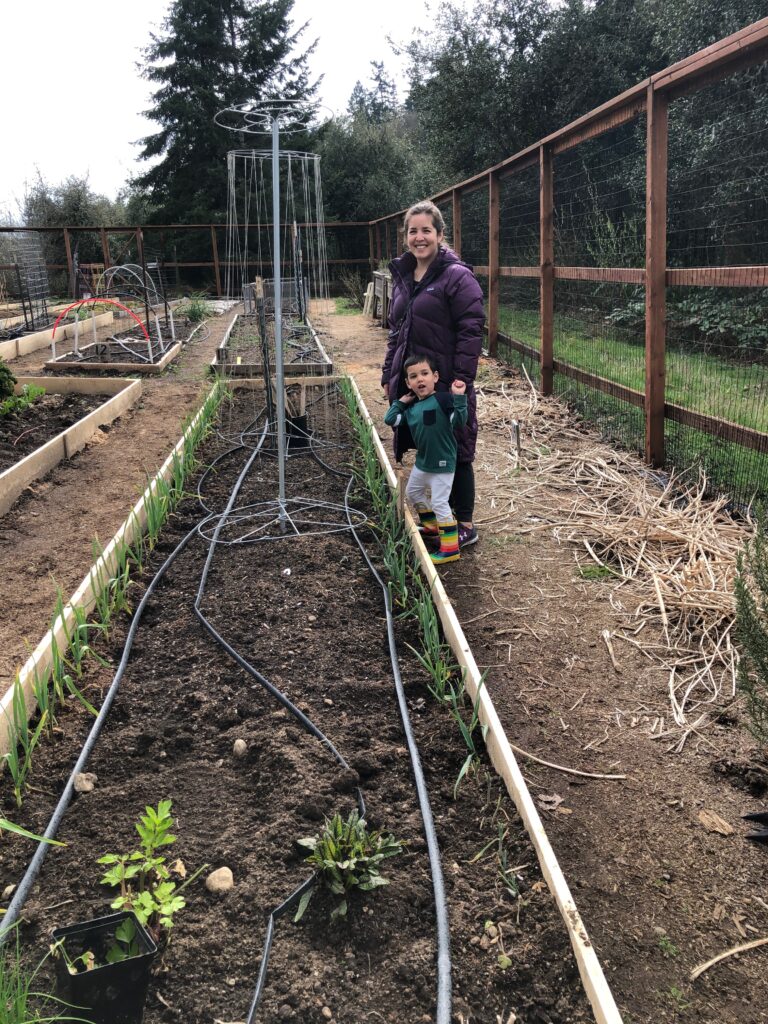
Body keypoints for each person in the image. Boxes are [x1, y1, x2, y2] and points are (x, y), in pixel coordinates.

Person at [381, 199, 485, 549]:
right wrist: (389, 375)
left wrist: (460, 380)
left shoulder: (457, 277)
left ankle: (464, 523)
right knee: (430, 444)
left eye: (426, 230)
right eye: (413, 231)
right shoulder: (404, 277)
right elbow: (396, 332)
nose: (419, 237)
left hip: (446, 382)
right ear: (406, 237)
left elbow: (471, 330)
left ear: (440, 235)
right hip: (417, 380)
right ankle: (439, 522)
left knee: (457, 447)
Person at [385, 354, 468, 564]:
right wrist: (401, 402)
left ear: (435, 376)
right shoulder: (412, 409)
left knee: (440, 502)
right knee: (413, 493)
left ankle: (450, 549)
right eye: (413, 376)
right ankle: (431, 527)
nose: (420, 379)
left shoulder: (442, 400)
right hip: (423, 462)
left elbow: (459, 421)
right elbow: (390, 419)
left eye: (424, 374)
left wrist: (459, 397)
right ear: (408, 383)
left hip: (442, 463)